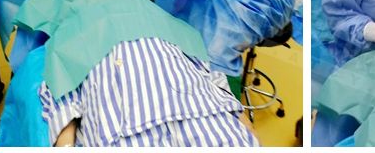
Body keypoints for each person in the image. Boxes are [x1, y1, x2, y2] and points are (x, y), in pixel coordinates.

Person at [40, 37, 259, 147]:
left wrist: (239, 117)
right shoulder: (79, 38)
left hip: (204, 118)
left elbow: (208, 71)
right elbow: (62, 91)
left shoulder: (166, 30)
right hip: (125, 133)